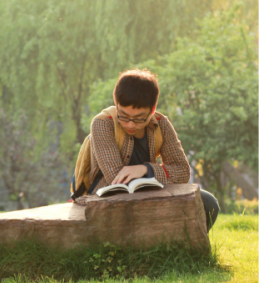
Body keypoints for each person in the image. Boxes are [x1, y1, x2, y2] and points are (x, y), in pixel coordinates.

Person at [75, 69, 219, 231]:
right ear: (116, 105)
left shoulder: (161, 123)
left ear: (152, 110)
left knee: (208, 202)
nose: (130, 124)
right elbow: (116, 177)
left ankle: (189, 248)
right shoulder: (103, 123)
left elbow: (183, 171)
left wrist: (145, 169)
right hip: (107, 197)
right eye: (123, 115)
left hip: (151, 192)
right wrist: (158, 174)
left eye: (139, 119)